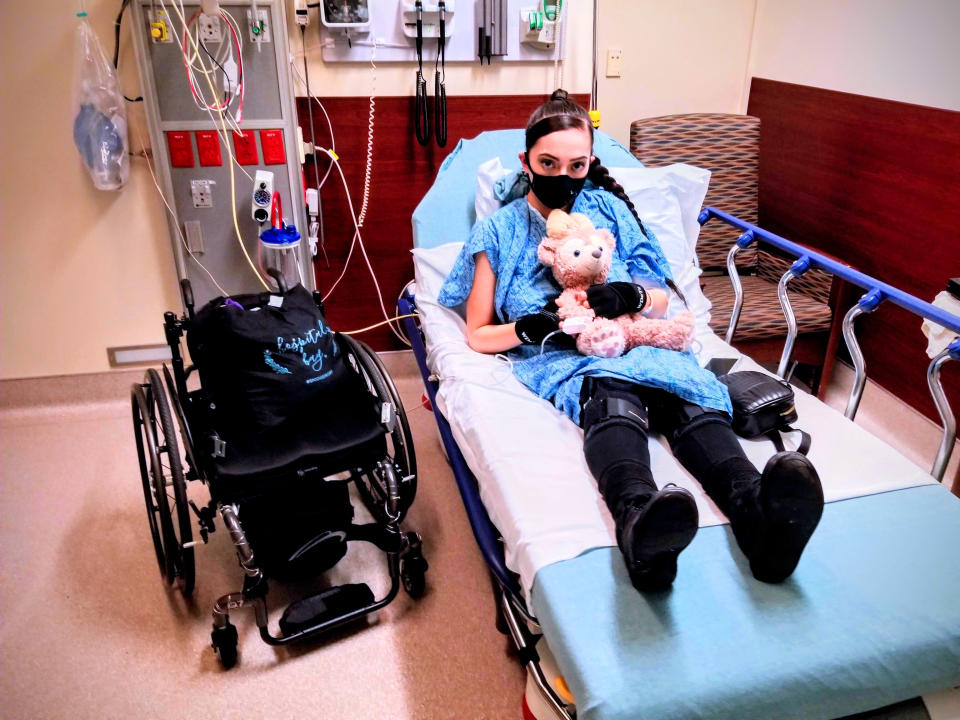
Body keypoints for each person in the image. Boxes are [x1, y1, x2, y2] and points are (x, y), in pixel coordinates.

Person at [437, 90, 824, 592]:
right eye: (547, 162)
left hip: (640, 338)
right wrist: (531, 328)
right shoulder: (499, 230)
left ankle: (759, 516)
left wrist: (631, 294)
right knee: (615, 402)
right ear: (525, 162)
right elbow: (477, 334)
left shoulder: (612, 211)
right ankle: (640, 522)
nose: (562, 175)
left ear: (590, 163)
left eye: (576, 165)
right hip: (569, 356)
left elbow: (662, 300)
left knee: (686, 397)